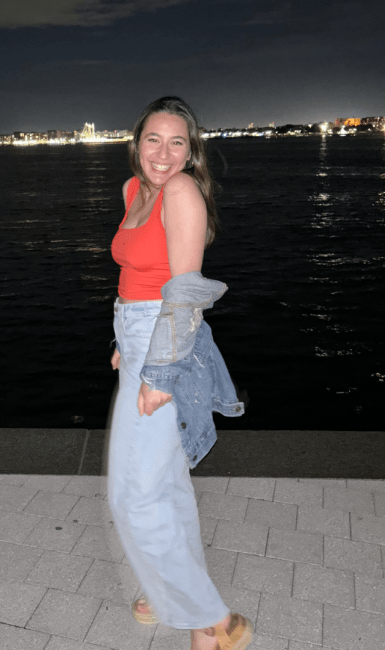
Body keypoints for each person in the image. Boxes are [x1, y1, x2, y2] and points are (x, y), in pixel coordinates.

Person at [108, 96, 253, 650]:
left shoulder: (181, 192)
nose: (164, 154)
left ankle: (212, 623)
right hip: (138, 339)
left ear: (191, 151)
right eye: (153, 140)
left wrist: (159, 373)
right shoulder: (133, 191)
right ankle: (167, 588)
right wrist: (121, 341)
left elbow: (186, 294)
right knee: (163, 487)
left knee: (137, 496)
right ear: (136, 143)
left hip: (167, 348)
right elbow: (132, 278)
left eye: (177, 143)